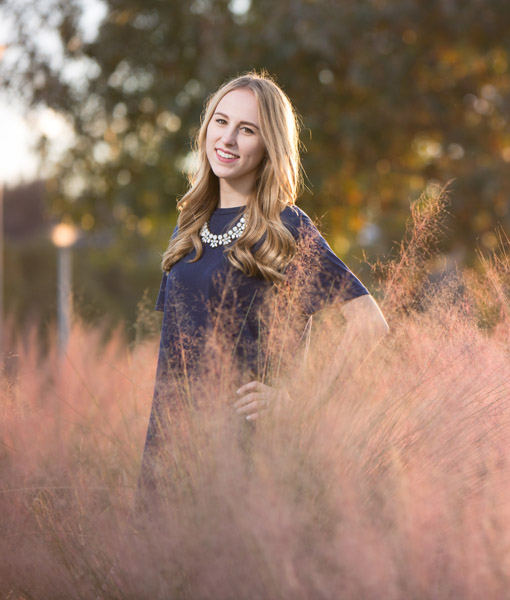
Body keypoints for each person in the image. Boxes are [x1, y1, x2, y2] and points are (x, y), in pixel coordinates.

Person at [133, 71, 389, 516]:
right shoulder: (190, 226)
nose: (227, 139)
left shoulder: (285, 229)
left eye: (246, 129)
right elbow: (178, 350)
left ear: (269, 143)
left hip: (244, 452)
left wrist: (301, 401)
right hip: (172, 445)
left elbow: (370, 324)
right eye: (220, 121)